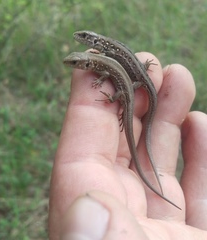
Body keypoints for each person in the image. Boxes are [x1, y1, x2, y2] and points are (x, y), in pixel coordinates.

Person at [48, 52, 207, 240]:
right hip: (126, 91)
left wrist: (110, 96)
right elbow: (108, 74)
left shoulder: (101, 66)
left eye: (75, 63)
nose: (72, 65)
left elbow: (109, 77)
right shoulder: (100, 65)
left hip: (124, 93)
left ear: (87, 63)